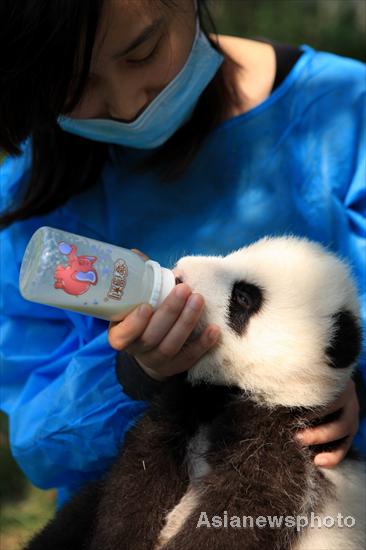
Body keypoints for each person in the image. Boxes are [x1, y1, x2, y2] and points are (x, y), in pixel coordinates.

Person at [0, 0, 365, 510]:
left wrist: (346, 381)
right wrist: (133, 377)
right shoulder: (28, 202)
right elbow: (42, 448)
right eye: (75, 83)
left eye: (143, 51)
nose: (129, 104)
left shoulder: (346, 109)